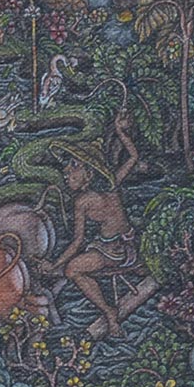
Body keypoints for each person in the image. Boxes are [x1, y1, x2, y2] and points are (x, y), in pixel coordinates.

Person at [36, 118, 141, 336]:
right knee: (72, 263)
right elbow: (133, 157)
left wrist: (55, 263)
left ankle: (109, 312)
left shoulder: (82, 202)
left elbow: (77, 242)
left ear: (90, 172)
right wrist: (121, 132)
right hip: (127, 246)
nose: (67, 174)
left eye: (74, 167)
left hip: (113, 253)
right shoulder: (112, 184)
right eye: (67, 171)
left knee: (72, 269)